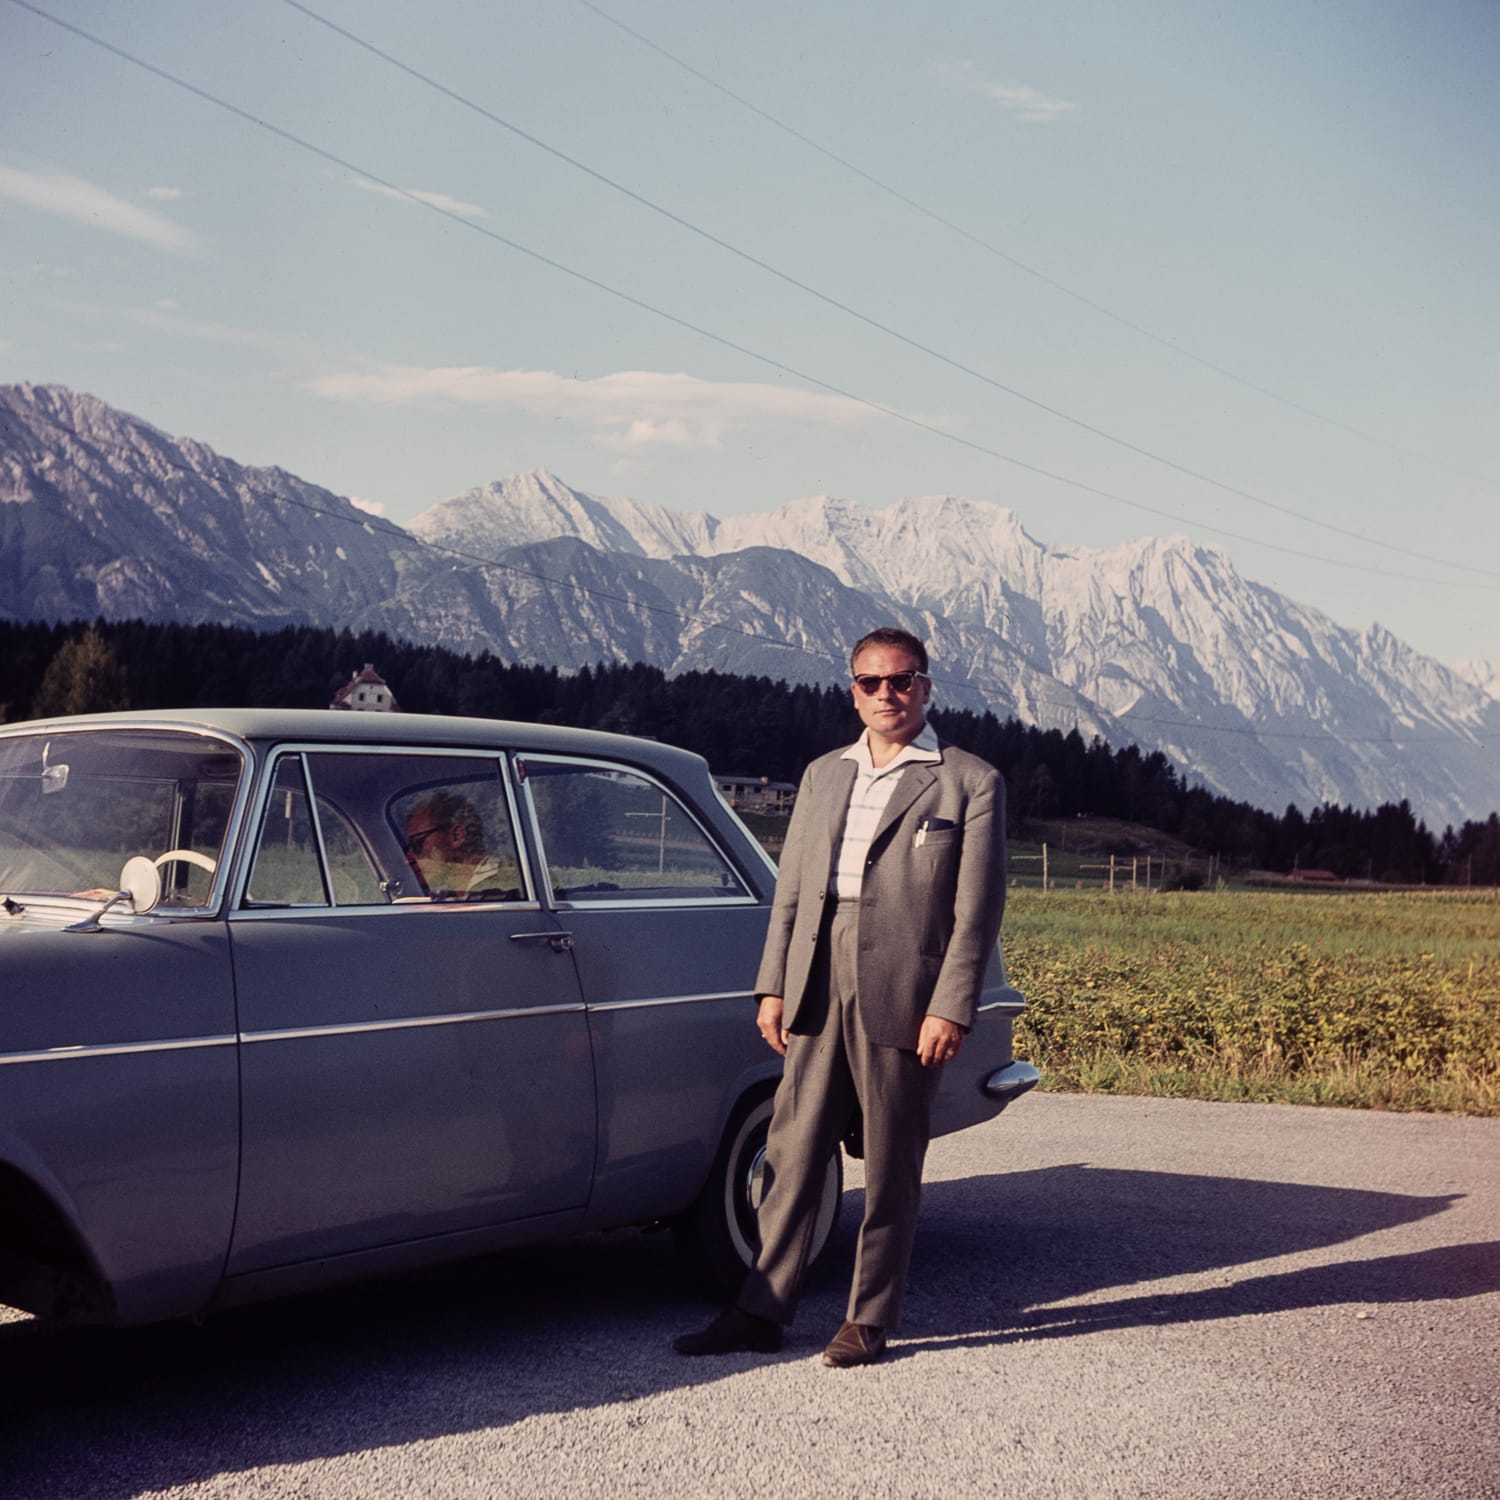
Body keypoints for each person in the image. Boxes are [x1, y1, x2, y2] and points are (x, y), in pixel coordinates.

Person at [674, 627, 1007, 1367]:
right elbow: (789, 893)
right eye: (869, 682)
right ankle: (760, 1310)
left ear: (925, 686)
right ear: (850, 689)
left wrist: (952, 1005)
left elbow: (977, 911)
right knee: (791, 1151)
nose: (885, 695)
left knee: (891, 1160)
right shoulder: (825, 774)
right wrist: (774, 988)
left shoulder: (968, 781)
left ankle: (869, 1317)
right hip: (818, 977)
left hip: (904, 986)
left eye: (900, 680)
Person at [402, 789, 517, 899]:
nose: (408, 859)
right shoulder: (451, 894)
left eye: (417, 842)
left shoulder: (500, 889)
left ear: (456, 836)